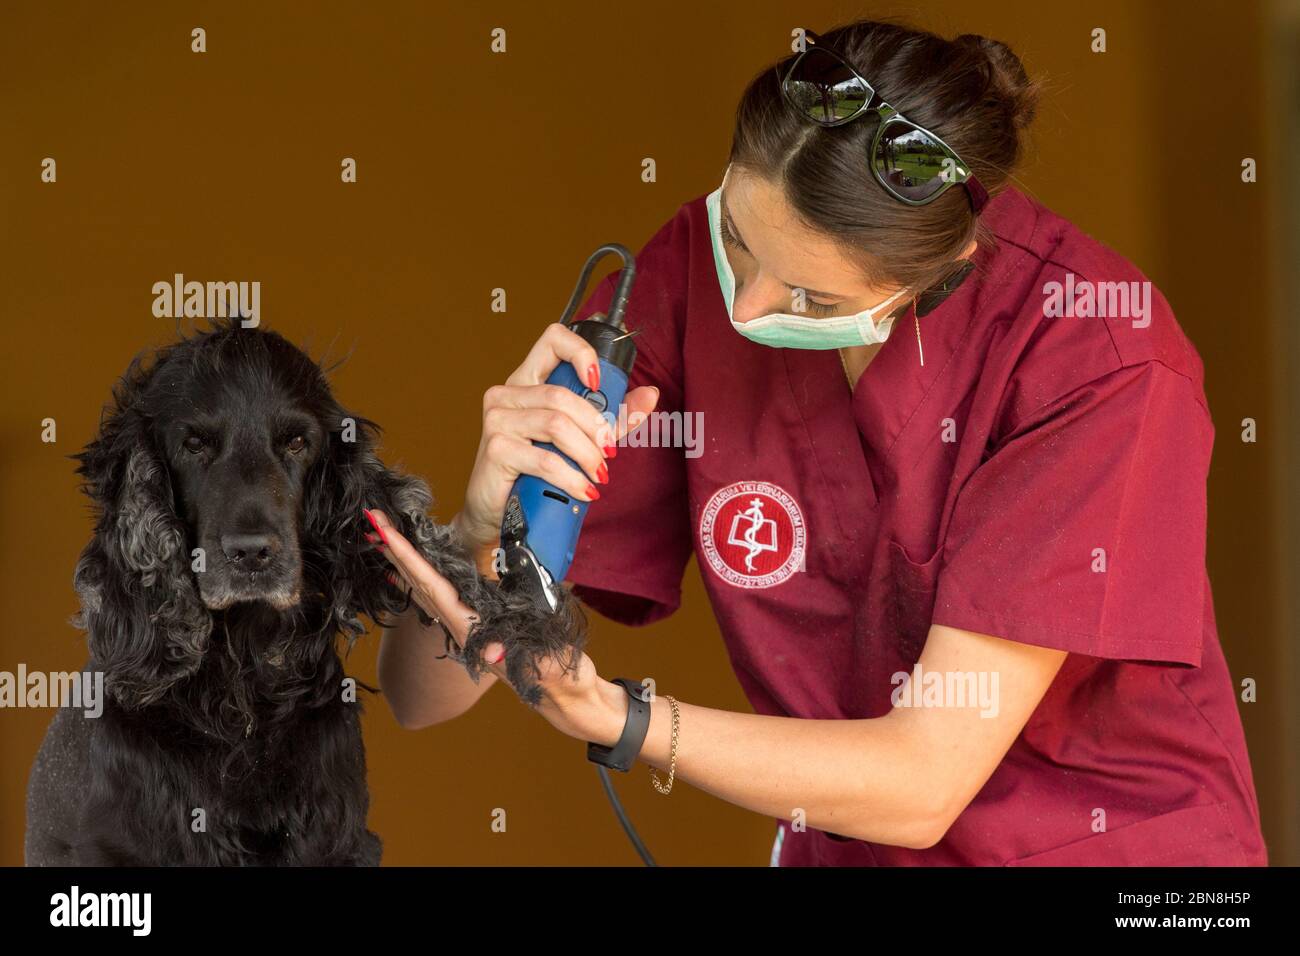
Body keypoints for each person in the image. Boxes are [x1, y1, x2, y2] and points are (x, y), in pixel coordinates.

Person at [371, 19, 1267, 866]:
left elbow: (923, 785)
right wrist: (482, 526)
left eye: (812, 301)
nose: (747, 309)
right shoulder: (692, 277)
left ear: (944, 269)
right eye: (737, 238)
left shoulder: (1095, 354)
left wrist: (620, 718)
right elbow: (423, 699)